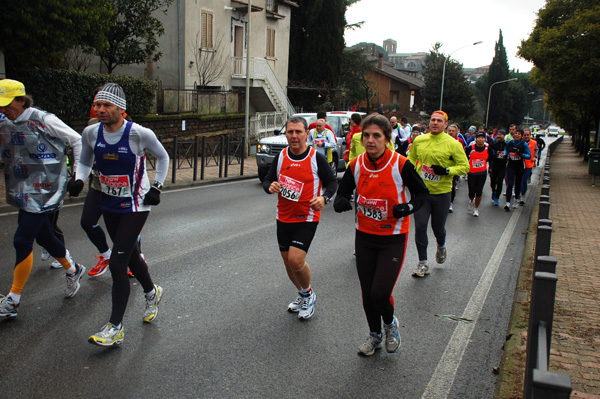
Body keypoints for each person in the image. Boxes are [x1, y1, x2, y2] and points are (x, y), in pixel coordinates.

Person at [69, 83, 169, 346]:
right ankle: (152, 291)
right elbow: (84, 161)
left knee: (117, 262)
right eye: (98, 105)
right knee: (131, 256)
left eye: (107, 106)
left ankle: (115, 327)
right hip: (109, 202)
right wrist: (79, 180)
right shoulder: (91, 133)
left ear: (121, 109)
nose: (100, 110)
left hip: (136, 205)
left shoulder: (138, 134)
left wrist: (157, 187)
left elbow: (163, 157)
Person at [334, 113, 428, 356]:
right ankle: (374, 335)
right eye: (366, 135)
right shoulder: (355, 165)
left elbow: (422, 195)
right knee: (367, 292)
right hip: (364, 236)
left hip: (393, 238)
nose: (370, 140)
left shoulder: (401, 164)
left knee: (380, 292)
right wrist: (341, 200)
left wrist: (407, 207)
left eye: (376, 136)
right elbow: (342, 192)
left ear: (387, 138)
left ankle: (390, 325)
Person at [0, 79, 85, 319]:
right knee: (44, 235)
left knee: (21, 240)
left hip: (45, 190)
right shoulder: (6, 122)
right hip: (22, 189)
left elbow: (77, 140)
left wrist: (78, 176)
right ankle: (73, 269)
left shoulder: (44, 120)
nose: (4, 109)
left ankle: (13, 301)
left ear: (21, 99)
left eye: (8, 104)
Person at [263, 116, 338, 320]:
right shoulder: (281, 157)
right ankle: (304, 294)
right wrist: (270, 186)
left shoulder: (315, 157)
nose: (294, 136)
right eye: (290, 132)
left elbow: (332, 182)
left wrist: (324, 197)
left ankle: (308, 294)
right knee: (288, 262)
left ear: (307, 134)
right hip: (283, 217)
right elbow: (268, 179)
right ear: (286, 134)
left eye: (298, 132)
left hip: (307, 216)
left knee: (296, 260)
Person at [407, 110, 470, 278]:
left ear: (445, 125)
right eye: (433, 120)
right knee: (420, 227)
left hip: (441, 194)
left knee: (438, 229)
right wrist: (411, 175)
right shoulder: (419, 140)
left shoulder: (453, 144)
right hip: (422, 193)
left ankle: (441, 245)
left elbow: (465, 167)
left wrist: (447, 170)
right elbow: (411, 160)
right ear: (429, 123)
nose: (435, 123)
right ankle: (423, 263)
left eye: (439, 121)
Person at [503, 128, 531, 211]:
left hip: (519, 166)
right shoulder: (510, 142)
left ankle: (516, 200)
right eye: (516, 133)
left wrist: (521, 154)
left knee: (518, 184)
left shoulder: (524, 144)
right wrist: (506, 155)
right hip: (511, 165)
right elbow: (506, 149)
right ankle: (507, 202)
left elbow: (529, 156)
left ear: (521, 136)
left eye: (519, 134)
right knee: (510, 183)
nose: (517, 135)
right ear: (513, 134)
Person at [465, 132, 490, 217]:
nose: (480, 139)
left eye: (482, 138)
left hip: (482, 173)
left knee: (479, 192)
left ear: (484, 139)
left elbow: (491, 158)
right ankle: (471, 200)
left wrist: (491, 168)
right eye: (478, 137)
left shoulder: (487, 148)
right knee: (471, 192)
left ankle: (476, 208)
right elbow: (464, 156)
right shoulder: (471, 148)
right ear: (476, 139)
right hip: (472, 172)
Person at [489, 129, 508, 206]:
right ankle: (493, 190)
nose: (499, 136)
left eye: (501, 134)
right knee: (493, 181)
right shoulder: (493, 143)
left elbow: (508, 152)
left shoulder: (506, 144)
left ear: (504, 135)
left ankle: (497, 197)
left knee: (500, 182)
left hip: (503, 166)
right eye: (498, 134)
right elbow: (490, 153)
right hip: (494, 165)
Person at [519, 129, 538, 205]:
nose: (526, 136)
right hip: (519, 164)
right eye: (525, 135)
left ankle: (522, 196)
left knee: (524, 181)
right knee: (519, 181)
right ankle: (518, 194)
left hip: (529, 164)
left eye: (528, 135)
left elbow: (536, 150)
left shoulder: (534, 142)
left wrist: (535, 157)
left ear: (530, 135)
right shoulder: (519, 143)